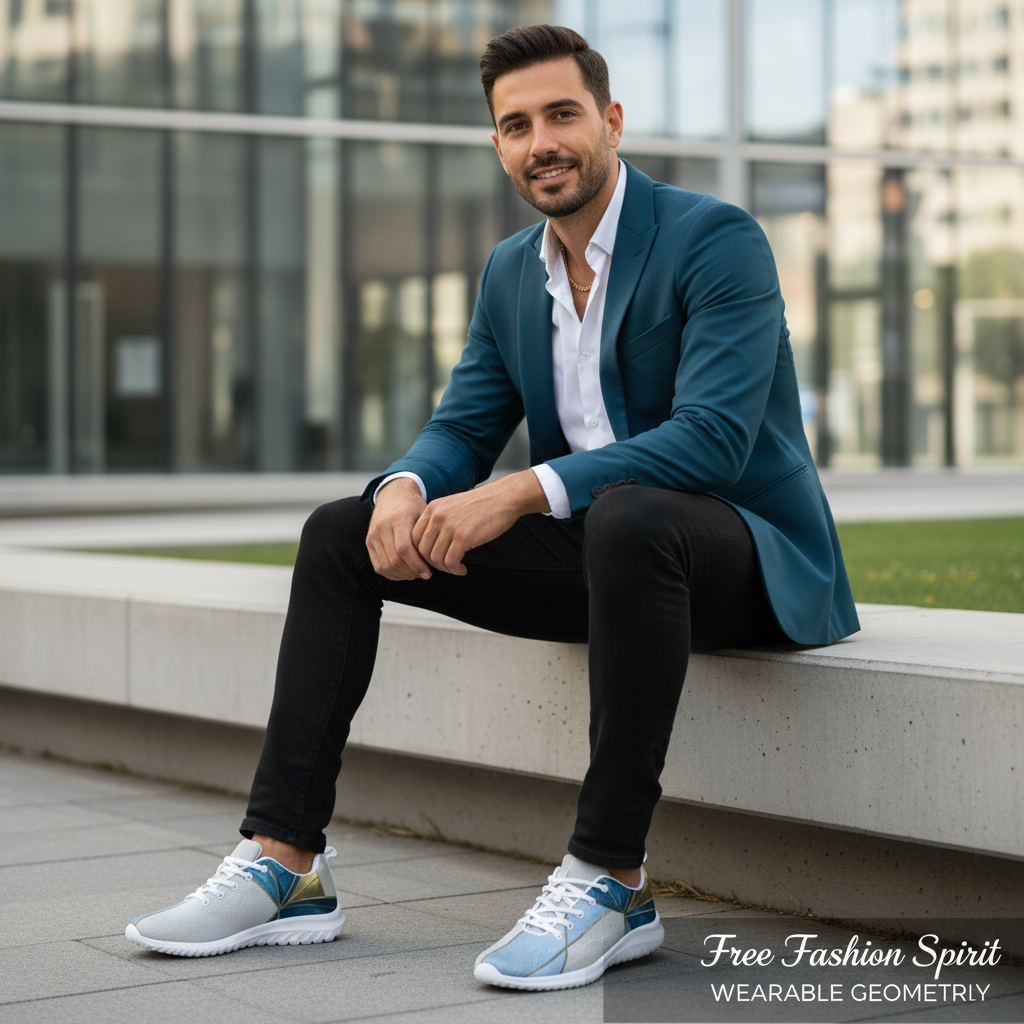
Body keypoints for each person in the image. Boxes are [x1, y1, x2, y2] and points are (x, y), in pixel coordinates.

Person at [126, 23, 859, 990]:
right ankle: (285, 862)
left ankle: (610, 878)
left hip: (744, 560)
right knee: (341, 534)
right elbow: (461, 426)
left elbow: (714, 438)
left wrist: (517, 492)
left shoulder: (714, 238)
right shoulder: (512, 269)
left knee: (634, 517)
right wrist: (405, 487)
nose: (541, 141)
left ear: (611, 120)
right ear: (499, 146)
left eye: (562, 114)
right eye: (515, 125)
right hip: (606, 561)